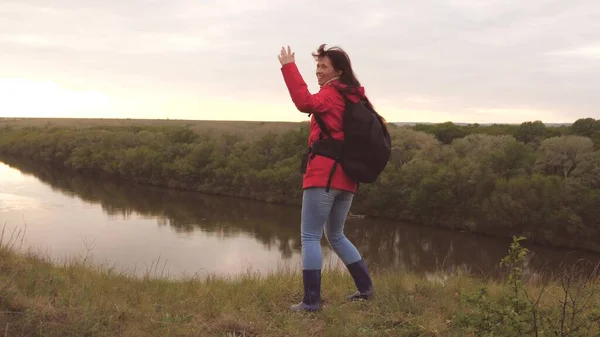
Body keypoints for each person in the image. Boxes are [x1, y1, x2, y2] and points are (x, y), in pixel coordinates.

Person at [278, 44, 377, 312]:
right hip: (347, 178)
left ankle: (311, 302)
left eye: (324, 67)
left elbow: (304, 103)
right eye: (317, 67)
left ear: (339, 72)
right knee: (335, 234)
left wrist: (288, 67)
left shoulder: (332, 95)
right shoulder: (353, 97)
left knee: (310, 236)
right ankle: (366, 289)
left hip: (324, 175)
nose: (319, 72)